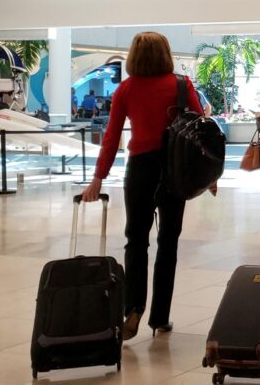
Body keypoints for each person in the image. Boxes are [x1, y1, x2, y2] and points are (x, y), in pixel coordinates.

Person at [81, 31, 205, 341]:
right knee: (168, 242)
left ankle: (133, 309)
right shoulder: (180, 85)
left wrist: (98, 177)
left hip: (139, 169)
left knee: (135, 240)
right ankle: (160, 318)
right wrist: (208, 175)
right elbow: (200, 127)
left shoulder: (126, 89)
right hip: (174, 168)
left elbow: (111, 136)